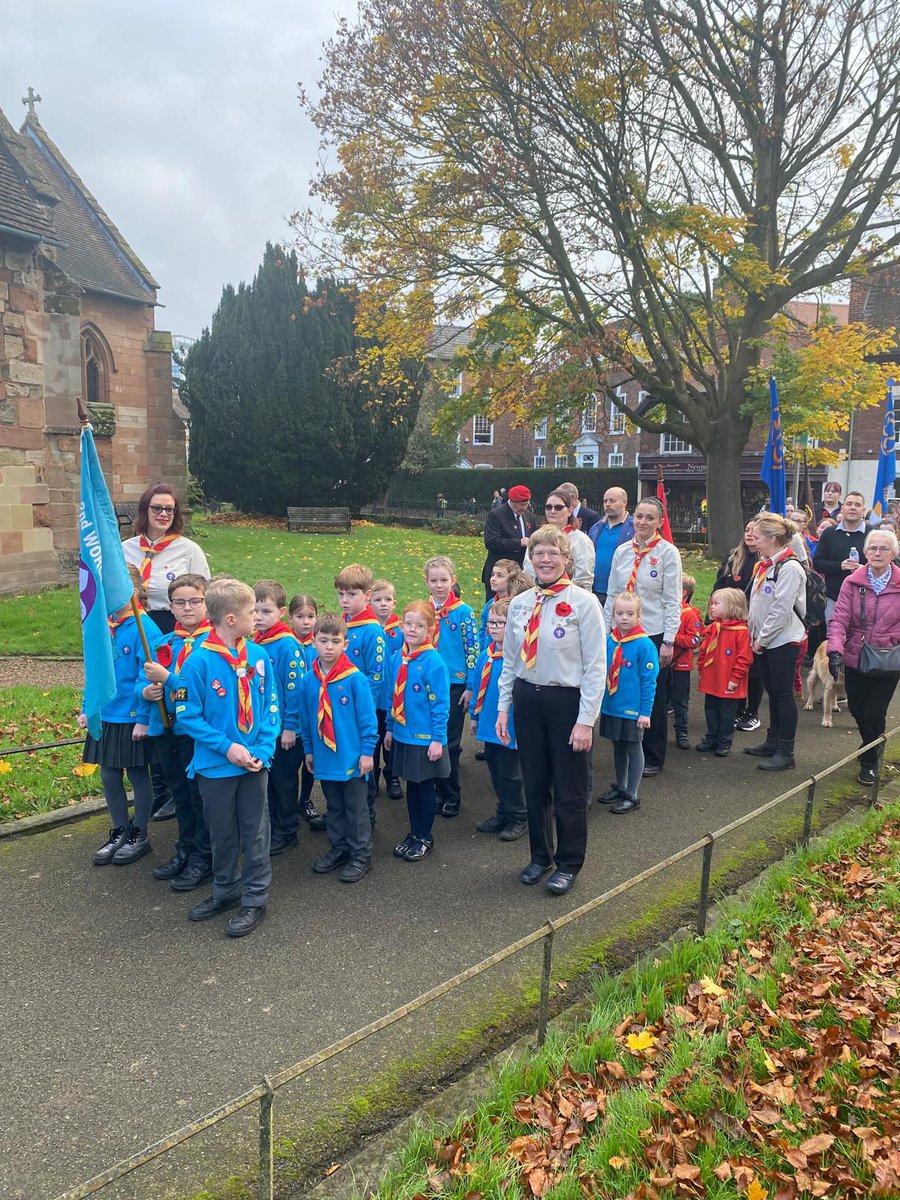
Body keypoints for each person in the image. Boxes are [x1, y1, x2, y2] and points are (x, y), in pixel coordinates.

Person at [497, 525, 606, 896]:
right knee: (535, 783)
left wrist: (586, 720)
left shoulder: (583, 603)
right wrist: (503, 708)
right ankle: (539, 856)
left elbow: (595, 667)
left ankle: (569, 862)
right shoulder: (522, 604)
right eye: (539, 553)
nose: (545, 559)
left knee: (569, 790)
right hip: (528, 698)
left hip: (566, 703)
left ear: (566, 560)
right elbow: (510, 660)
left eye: (553, 553)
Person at [175, 578, 280, 938]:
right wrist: (228, 747)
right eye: (252, 612)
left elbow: (271, 709)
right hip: (216, 767)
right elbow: (188, 715)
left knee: (255, 833)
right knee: (222, 834)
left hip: (253, 765)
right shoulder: (198, 662)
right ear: (232, 619)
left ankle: (255, 898)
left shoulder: (260, 657)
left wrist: (262, 750)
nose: (257, 617)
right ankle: (225, 889)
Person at [79, 578, 164, 867]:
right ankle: (119, 830)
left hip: (131, 715)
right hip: (105, 714)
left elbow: (147, 676)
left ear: (135, 591)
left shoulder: (145, 628)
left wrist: (143, 718)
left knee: (139, 774)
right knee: (108, 776)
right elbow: (94, 669)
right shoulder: (102, 624)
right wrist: (87, 707)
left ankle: (139, 834)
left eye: (117, 591)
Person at [142, 573, 214, 891]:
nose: (187, 608)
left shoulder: (212, 646)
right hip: (164, 727)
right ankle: (184, 849)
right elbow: (140, 680)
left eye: (195, 601)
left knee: (198, 796)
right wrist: (146, 692)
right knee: (179, 794)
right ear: (170, 607)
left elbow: (203, 691)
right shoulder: (163, 643)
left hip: (193, 732)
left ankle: (204, 856)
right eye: (180, 602)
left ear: (207, 604)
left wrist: (168, 680)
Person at [604, 497, 682, 776]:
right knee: (625, 687)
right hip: (621, 631)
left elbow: (673, 600)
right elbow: (613, 594)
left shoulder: (667, 553)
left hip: (651, 632)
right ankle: (626, 745)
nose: (642, 522)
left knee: (652, 693)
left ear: (660, 522)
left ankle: (653, 754)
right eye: (639, 516)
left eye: (650, 518)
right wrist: (606, 631)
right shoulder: (623, 551)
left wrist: (669, 640)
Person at [299, 612, 379, 883]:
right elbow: (306, 719)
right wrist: (308, 750)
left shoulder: (356, 679)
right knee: (334, 806)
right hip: (324, 756)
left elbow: (368, 720)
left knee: (356, 808)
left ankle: (361, 854)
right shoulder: (309, 680)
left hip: (353, 756)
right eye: (324, 641)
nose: (329, 647)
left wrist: (368, 753)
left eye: (336, 641)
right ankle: (340, 847)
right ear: (313, 642)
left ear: (345, 644)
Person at [826, 527, 900, 786]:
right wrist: (834, 650)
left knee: (875, 713)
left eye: (884, 548)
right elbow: (839, 619)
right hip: (855, 656)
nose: (877, 553)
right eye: (873, 548)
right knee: (857, 708)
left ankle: (870, 762)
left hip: (888, 660)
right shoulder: (852, 582)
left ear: (893, 553)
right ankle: (870, 744)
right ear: (865, 551)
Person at [384, 601, 451, 861]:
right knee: (412, 786)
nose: (412, 629)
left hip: (425, 740)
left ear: (430, 630)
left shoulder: (434, 663)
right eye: (408, 624)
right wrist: (390, 729)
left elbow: (440, 706)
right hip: (403, 734)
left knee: (425, 787)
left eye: (419, 625)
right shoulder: (396, 659)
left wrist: (437, 740)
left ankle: (425, 836)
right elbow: (392, 696)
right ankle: (414, 833)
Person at [253, 580, 311, 856]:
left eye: (265, 611)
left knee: (285, 783)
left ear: (281, 612)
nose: (258, 617)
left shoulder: (287, 645)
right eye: (254, 611)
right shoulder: (256, 641)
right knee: (269, 782)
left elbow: (296, 691)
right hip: (264, 729)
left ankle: (288, 831)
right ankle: (274, 826)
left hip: (286, 732)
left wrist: (290, 727)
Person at [745, 513, 807, 772]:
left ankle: (786, 751)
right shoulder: (766, 564)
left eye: (757, 537)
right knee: (773, 692)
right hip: (766, 640)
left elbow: (781, 611)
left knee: (783, 695)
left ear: (772, 538)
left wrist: (761, 639)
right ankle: (773, 740)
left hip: (782, 640)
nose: (753, 541)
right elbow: (758, 603)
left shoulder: (789, 568)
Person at [423, 555, 478, 817]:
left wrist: (470, 686)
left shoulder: (464, 612)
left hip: (454, 684)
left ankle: (452, 794)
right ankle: (435, 790)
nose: (439, 585)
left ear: (453, 580)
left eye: (444, 580)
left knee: (450, 741)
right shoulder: (423, 610)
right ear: (426, 582)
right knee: (430, 738)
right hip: (427, 684)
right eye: (434, 580)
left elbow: (472, 650)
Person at [335, 564, 388, 824]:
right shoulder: (342, 624)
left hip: (366, 711)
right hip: (341, 708)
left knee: (367, 759)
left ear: (367, 596)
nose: (345, 600)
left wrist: (358, 709)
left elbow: (376, 678)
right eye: (341, 594)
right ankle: (345, 811)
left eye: (352, 594)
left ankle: (366, 815)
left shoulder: (372, 631)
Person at [470, 599, 527, 841]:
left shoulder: (518, 658)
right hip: (488, 723)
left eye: (500, 623)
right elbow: (476, 686)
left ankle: (519, 815)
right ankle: (503, 811)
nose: (493, 627)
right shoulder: (487, 655)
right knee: (494, 770)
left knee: (511, 774)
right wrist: (474, 716)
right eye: (491, 622)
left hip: (510, 727)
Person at [597, 592, 658, 815]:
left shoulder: (644, 645)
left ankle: (633, 794)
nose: (624, 618)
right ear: (612, 615)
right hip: (612, 706)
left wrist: (645, 712)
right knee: (618, 745)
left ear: (638, 615)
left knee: (633, 747)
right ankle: (621, 786)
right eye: (619, 613)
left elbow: (649, 682)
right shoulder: (608, 641)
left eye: (630, 613)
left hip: (632, 710)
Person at [122, 483, 210, 634]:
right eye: (157, 508)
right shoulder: (125, 549)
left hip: (173, 628)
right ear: (145, 510)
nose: (163, 514)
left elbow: (206, 594)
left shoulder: (189, 550)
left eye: (169, 509)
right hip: (131, 625)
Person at [713, 519, 763, 732]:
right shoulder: (733, 558)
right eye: (746, 530)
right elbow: (719, 585)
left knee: (753, 668)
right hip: (731, 620)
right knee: (733, 666)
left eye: (755, 531)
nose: (749, 534)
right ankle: (736, 708)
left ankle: (752, 712)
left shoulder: (765, 561)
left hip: (754, 620)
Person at [696, 588, 752, 757]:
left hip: (728, 680)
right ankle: (711, 737)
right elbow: (704, 649)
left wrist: (735, 678)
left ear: (731, 607)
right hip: (712, 678)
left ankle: (724, 741)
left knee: (727, 713)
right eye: (711, 603)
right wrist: (700, 668)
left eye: (716, 603)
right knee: (710, 709)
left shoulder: (741, 632)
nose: (711, 607)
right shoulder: (714, 627)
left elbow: (744, 658)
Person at [287, 594, 326, 829]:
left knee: (311, 762)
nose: (306, 622)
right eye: (300, 617)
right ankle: (290, 802)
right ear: (290, 617)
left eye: (311, 616)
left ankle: (306, 799)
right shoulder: (287, 644)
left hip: (315, 715)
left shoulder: (319, 645)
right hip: (294, 719)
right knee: (292, 764)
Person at [370, 578, 404, 800]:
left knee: (391, 739)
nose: (383, 604)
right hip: (371, 697)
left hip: (392, 696)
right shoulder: (367, 630)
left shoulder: (400, 631)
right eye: (378, 599)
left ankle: (392, 776)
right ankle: (371, 775)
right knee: (373, 738)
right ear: (369, 602)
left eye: (388, 599)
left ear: (394, 603)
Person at [523, 490, 596, 590]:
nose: (552, 511)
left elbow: (583, 579)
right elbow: (528, 570)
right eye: (548, 507)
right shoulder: (536, 537)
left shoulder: (581, 540)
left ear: (570, 511)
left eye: (558, 507)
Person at [813, 491, 868, 620]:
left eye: (857, 505)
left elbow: (883, 564)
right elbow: (817, 563)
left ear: (863, 510)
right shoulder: (829, 533)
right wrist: (840, 566)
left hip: (865, 598)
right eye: (849, 504)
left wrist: (864, 569)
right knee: (833, 636)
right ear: (842, 508)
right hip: (834, 597)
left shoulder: (872, 534)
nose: (853, 507)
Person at [481, 483, 536, 600]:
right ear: (512, 501)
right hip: (500, 571)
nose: (525, 507)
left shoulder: (530, 516)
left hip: (520, 572)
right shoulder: (496, 515)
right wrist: (519, 542)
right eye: (522, 504)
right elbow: (491, 542)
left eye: (527, 504)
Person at [671, 574, 703, 750]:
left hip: (680, 664)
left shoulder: (689, 614)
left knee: (680, 701)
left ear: (683, 592)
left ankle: (681, 732)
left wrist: (671, 638)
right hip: (662, 664)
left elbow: (694, 641)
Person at [588, 487, 634, 606]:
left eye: (612, 501)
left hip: (620, 594)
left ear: (624, 502)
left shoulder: (634, 529)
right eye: (605, 501)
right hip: (595, 591)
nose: (608, 504)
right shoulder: (596, 528)